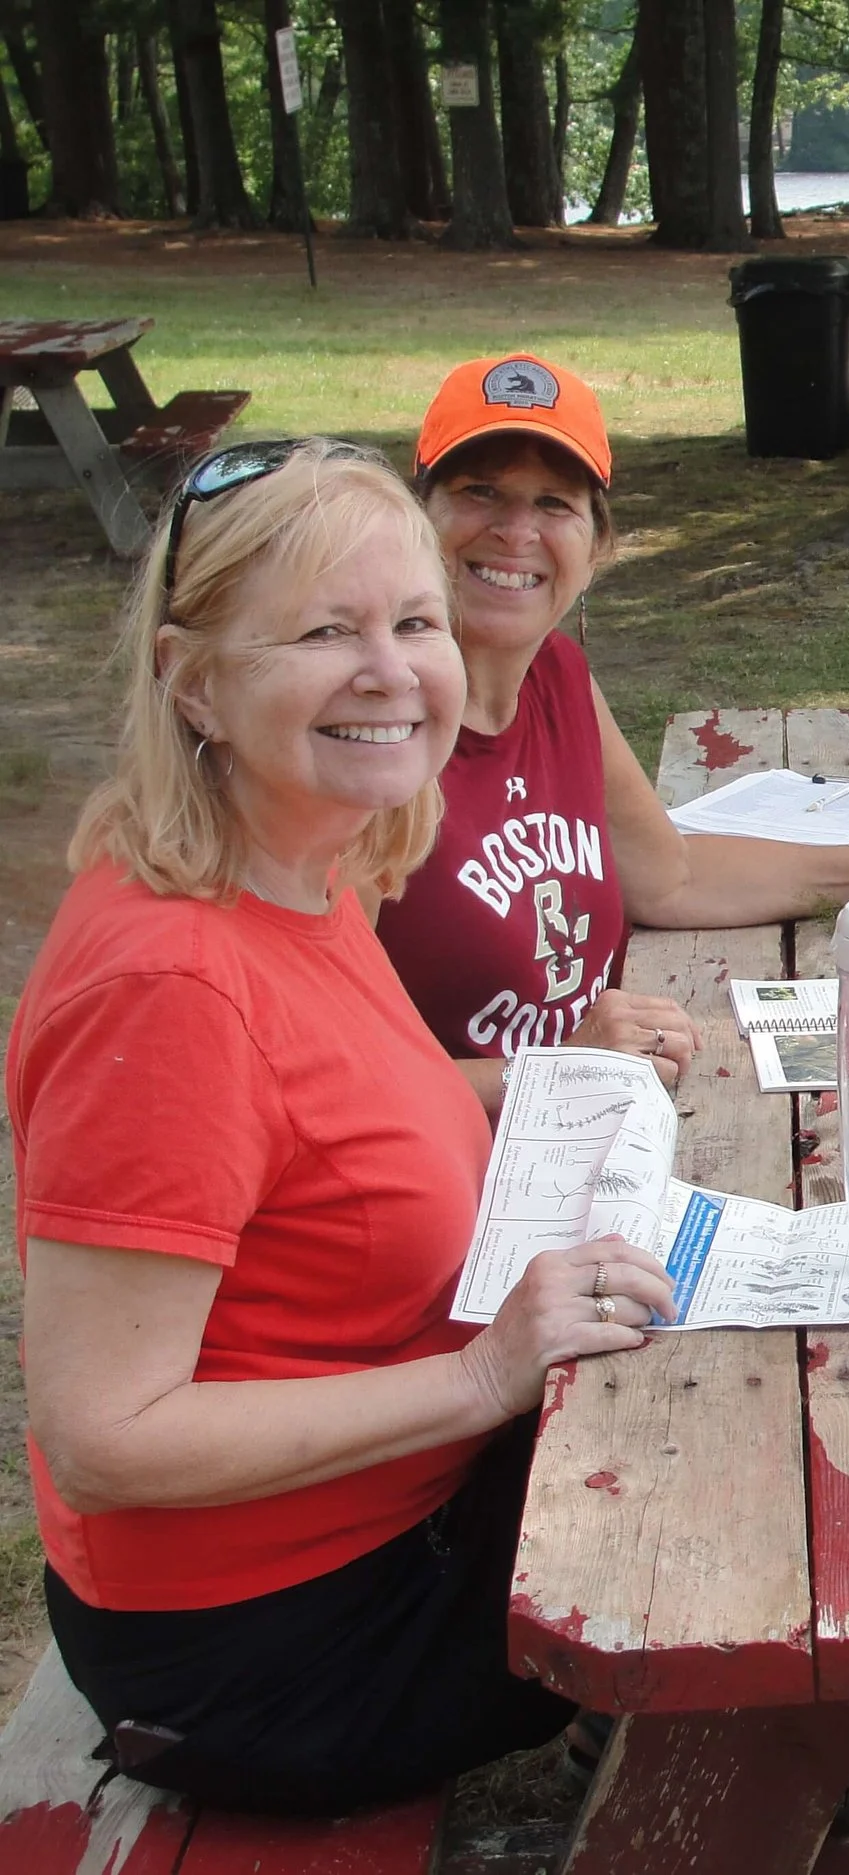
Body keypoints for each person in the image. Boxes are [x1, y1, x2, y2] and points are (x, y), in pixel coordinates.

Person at [9, 439, 678, 1815]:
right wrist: (484, 1379)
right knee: (741, 1519)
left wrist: (557, 1076)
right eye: (326, 632)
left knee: (729, 1391)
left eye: (414, 621)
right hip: (278, 1644)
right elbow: (104, 1433)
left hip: (386, 1521)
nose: (395, 671)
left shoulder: (310, 861)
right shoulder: (170, 981)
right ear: (194, 680)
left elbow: (337, 1120)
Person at [379, 354, 849, 1111]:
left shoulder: (558, 680)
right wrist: (550, 1069)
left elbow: (676, 877)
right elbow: (322, 1083)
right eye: (479, 491)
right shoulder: (376, 736)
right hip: (476, 1182)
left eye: (554, 503)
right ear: (416, 521)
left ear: (595, 548)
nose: (515, 530)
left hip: (602, 1119)